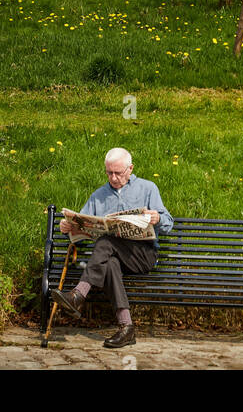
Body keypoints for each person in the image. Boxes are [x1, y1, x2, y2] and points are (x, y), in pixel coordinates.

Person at [50, 147, 174, 348]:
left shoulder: (148, 188)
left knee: (106, 243)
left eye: (118, 173)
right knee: (109, 263)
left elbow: (169, 223)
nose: (114, 178)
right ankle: (127, 328)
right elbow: (80, 232)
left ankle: (78, 294)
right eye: (109, 173)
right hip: (111, 255)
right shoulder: (99, 195)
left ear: (130, 169)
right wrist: (69, 228)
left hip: (143, 255)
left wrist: (157, 218)